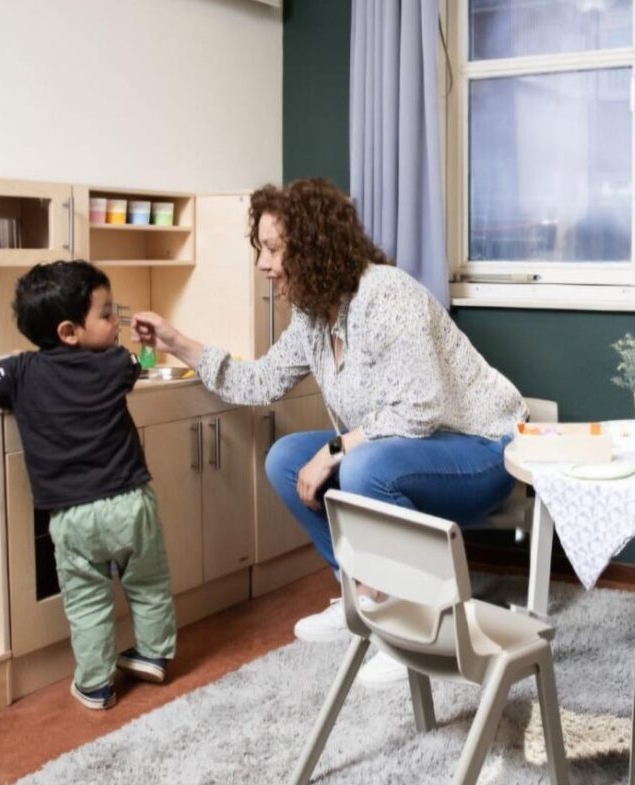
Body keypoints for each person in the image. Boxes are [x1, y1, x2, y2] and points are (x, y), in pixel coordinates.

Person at [132, 178, 526, 684]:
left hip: (485, 449)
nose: (262, 264)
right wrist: (177, 342)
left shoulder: (386, 294)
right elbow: (261, 381)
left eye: (273, 249)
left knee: (360, 465)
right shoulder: (313, 317)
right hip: (406, 453)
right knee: (286, 459)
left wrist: (337, 448)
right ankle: (365, 596)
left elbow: (420, 410)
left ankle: (419, 622)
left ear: (314, 245)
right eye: (260, 249)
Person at [0, 261, 176, 710]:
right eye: (108, 314)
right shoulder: (116, 363)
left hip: (73, 518)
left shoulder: (20, 371)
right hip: (130, 504)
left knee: (87, 601)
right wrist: (145, 347)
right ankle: (153, 654)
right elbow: (138, 366)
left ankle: (95, 685)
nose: (117, 323)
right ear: (69, 332)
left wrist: (4, 364)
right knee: (149, 585)